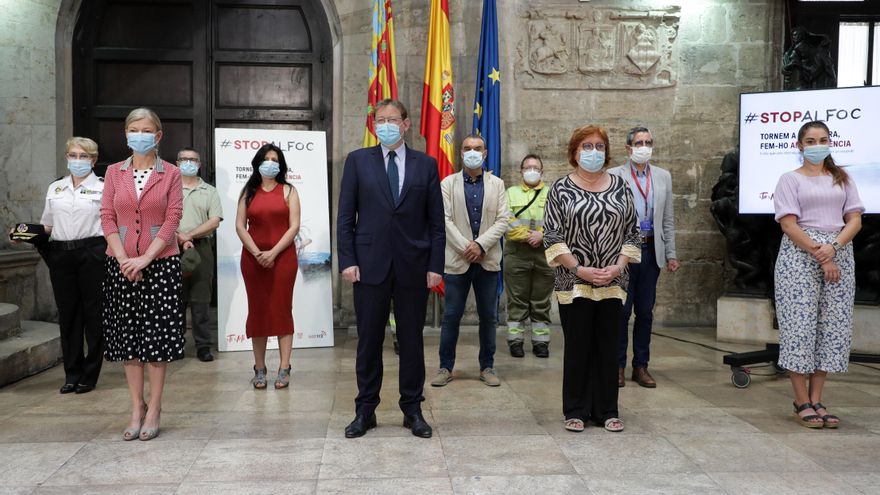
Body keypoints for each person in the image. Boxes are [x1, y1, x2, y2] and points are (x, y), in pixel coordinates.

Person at [337, 99, 445, 439]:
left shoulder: (425, 165)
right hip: (368, 266)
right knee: (368, 340)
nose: (385, 125)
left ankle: (412, 409)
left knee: (411, 340)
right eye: (379, 120)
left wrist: (435, 266)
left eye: (392, 119)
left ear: (406, 124)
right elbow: (345, 218)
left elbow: (436, 224)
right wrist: (348, 260)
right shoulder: (357, 161)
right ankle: (365, 410)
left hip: (414, 266)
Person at [543, 125, 640, 433]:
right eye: (587, 146)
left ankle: (607, 409)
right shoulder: (560, 189)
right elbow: (552, 236)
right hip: (574, 283)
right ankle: (576, 408)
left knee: (608, 347)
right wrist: (578, 269)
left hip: (613, 282)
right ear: (575, 152)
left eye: (599, 146)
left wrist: (619, 266)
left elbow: (633, 232)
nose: (594, 151)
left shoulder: (621, 187)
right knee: (578, 347)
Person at [100, 107, 183, 441]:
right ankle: (136, 407)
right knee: (128, 341)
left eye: (146, 130)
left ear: (158, 136)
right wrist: (123, 259)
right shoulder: (113, 172)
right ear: (126, 135)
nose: (140, 135)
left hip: (159, 265)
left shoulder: (172, 173)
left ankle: (156, 407)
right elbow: (107, 216)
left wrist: (145, 258)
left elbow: (173, 218)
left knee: (156, 341)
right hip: (120, 265)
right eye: (134, 129)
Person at [773, 120, 863, 429]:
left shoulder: (842, 178)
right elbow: (788, 224)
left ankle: (818, 397)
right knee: (799, 327)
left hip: (839, 253)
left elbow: (854, 219)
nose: (817, 145)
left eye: (822, 139)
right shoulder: (789, 179)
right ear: (800, 146)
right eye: (810, 141)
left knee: (832, 326)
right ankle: (801, 400)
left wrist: (834, 248)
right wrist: (820, 252)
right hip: (800, 256)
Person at [432, 135, 509, 388]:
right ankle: (445, 367)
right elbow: (443, 219)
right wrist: (468, 246)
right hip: (457, 259)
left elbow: (503, 220)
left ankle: (487, 366)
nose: (472, 152)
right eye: (467, 149)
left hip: (487, 261)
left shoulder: (497, 184)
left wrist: (481, 245)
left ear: (485, 154)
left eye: (477, 149)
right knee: (451, 316)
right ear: (460, 153)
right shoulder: (447, 183)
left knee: (489, 316)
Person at [609, 127, 678, 388]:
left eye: (648, 142)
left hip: (651, 251)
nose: (644, 146)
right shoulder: (615, 175)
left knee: (646, 312)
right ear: (628, 148)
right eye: (639, 142)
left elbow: (668, 219)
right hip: (624, 253)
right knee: (621, 312)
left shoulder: (663, 176)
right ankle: (617, 365)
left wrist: (671, 252)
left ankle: (641, 365)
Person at [39, 137, 106, 394]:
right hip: (61, 255)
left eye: (84, 156)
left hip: (92, 253)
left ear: (93, 160)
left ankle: (90, 374)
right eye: (73, 155)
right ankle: (71, 373)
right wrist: (23, 233)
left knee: (93, 314)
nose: (78, 160)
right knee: (68, 315)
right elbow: (48, 225)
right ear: (67, 157)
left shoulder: (103, 187)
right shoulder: (55, 188)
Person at [236, 143, 301, 390]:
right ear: (258, 163)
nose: (270, 163)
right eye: (266, 158)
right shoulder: (248, 192)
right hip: (253, 259)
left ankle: (284, 367)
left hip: (283, 258)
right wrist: (257, 253)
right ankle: (260, 367)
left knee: (282, 309)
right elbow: (240, 226)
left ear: (281, 164)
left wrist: (272, 253)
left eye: (275, 159)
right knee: (258, 310)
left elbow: (294, 226)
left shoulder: (289, 190)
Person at [503, 154, 554, 358]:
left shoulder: (553, 193)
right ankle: (515, 341)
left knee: (541, 301)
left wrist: (542, 236)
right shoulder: (510, 193)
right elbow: (506, 222)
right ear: (521, 171)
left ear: (542, 172)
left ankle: (541, 342)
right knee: (517, 300)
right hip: (517, 253)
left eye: (536, 168)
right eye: (528, 167)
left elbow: (561, 223)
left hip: (545, 254)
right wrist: (528, 236)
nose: (532, 171)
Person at [175, 147, 223, 363]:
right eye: (184, 159)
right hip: (169, 247)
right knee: (174, 299)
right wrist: (180, 238)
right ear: (177, 163)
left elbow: (215, 220)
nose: (188, 162)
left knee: (201, 298)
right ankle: (174, 344)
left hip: (201, 248)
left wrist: (189, 236)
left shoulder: (209, 191)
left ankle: (203, 345)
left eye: (193, 160)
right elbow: (159, 217)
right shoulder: (168, 188)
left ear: (199, 164)